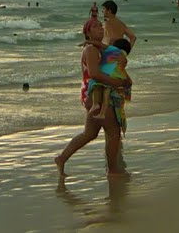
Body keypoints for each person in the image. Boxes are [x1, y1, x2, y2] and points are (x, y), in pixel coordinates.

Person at [54, 18, 129, 177]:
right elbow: (95, 74)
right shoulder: (91, 50)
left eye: (101, 26)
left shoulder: (99, 48)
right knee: (113, 131)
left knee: (90, 133)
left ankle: (61, 158)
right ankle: (113, 170)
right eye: (96, 27)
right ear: (88, 32)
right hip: (95, 93)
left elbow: (114, 55)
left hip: (92, 93)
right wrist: (115, 83)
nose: (101, 29)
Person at [86, 38, 132, 122]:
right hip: (119, 75)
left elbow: (101, 45)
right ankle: (102, 113)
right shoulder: (124, 58)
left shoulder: (114, 50)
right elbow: (122, 70)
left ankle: (96, 104)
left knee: (98, 86)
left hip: (111, 75)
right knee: (106, 93)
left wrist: (89, 41)